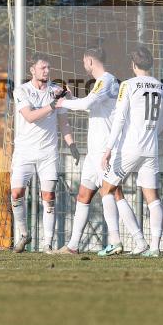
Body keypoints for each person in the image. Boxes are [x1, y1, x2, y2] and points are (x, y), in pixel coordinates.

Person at [99, 46, 163, 257]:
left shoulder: (128, 85)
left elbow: (120, 118)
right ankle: (154, 247)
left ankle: (118, 241)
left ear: (133, 65)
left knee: (106, 189)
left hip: (130, 148)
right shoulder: (162, 87)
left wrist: (108, 148)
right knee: (153, 198)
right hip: (151, 148)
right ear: (151, 64)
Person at [52, 48, 120, 254]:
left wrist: (63, 102)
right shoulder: (102, 83)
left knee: (111, 194)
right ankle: (73, 246)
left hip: (104, 150)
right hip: (94, 152)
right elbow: (91, 106)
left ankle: (120, 241)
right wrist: (71, 99)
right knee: (83, 195)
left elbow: (88, 104)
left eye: (84, 62)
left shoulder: (106, 80)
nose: (84, 66)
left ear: (90, 61)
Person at [10, 54, 78, 253]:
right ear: (32, 70)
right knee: (16, 194)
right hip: (24, 151)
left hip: (48, 152)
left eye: (48, 68)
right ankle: (24, 234)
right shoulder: (22, 90)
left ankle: (47, 244)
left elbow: (63, 123)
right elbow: (30, 117)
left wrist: (71, 144)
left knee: (48, 197)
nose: (46, 71)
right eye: (42, 68)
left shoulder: (56, 92)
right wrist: (53, 104)